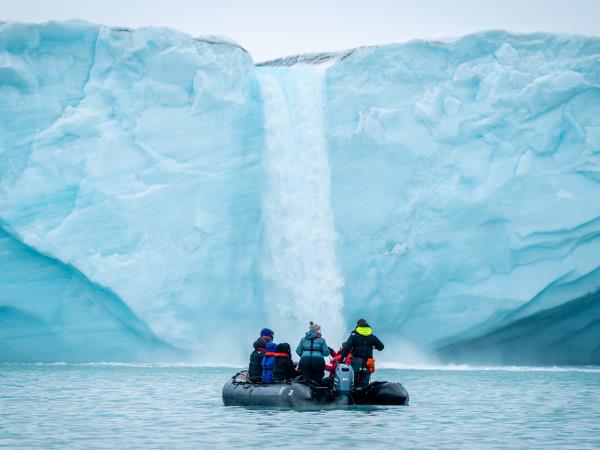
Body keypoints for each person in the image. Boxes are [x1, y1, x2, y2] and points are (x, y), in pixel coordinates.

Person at [341, 319, 384, 387]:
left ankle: (353, 396)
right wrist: (372, 347)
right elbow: (381, 347)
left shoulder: (354, 335)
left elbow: (346, 347)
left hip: (356, 360)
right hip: (369, 361)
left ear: (358, 325)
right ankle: (363, 395)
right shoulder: (372, 336)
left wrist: (342, 359)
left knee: (353, 382)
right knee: (365, 383)